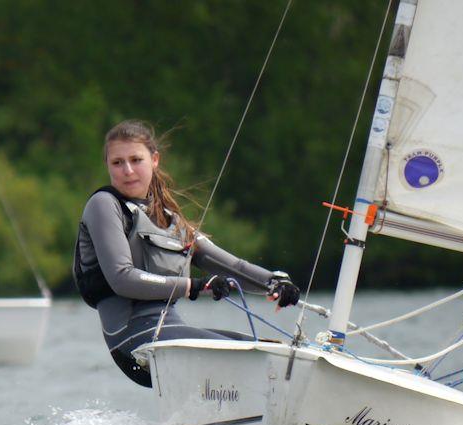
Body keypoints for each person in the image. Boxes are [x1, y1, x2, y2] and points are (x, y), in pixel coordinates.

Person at [74, 120, 300, 387]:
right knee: (254, 358)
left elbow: (229, 264)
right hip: (134, 343)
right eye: (117, 163)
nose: (128, 170)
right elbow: (121, 277)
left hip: (170, 333)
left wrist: (272, 282)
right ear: (108, 166)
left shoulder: (168, 218)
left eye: (136, 159)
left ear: (154, 160)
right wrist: (195, 286)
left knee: (268, 351)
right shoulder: (104, 205)